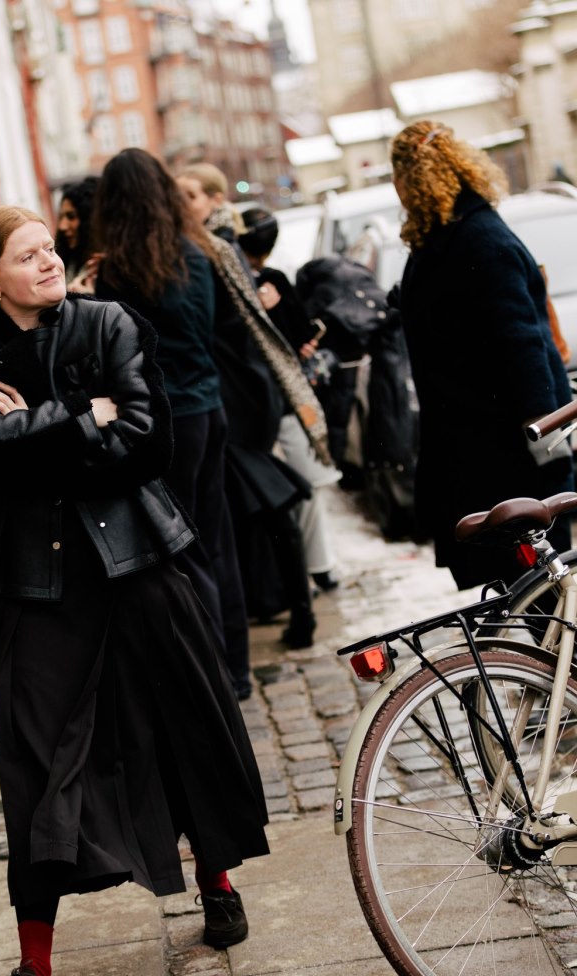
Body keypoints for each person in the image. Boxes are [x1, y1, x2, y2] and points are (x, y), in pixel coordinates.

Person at [0, 205, 269, 976]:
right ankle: (32, 971)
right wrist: (84, 420)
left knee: (182, 722)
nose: (50, 262)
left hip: (137, 560)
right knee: (34, 765)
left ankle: (216, 885)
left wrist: (29, 428)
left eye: (51, 248)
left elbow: (148, 440)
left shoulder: (108, 321)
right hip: (36, 582)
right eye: (27, 255)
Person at [92, 147, 251, 697]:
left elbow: (116, 354)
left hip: (166, 419)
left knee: (186, 548)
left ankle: (215, 671)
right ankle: (238, 668)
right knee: (219, 541)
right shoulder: (196, 252)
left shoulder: (119, 270)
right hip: (209, 407)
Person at [391, 120, 574, 589]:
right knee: (533, 588)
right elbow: (513, 340)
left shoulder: (453, 243)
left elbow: (513, 340)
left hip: (485, 448)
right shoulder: (467, 238)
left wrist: (542, 436)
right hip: (495, 446)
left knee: (526, 588)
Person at [176, 164, 332, 648]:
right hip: (235, 390)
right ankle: (285, 603)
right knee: (260, 499)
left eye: (189, 195)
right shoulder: (213, 243)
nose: (181, 203)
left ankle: (298, 607)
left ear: (215, 199)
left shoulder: (218, 245)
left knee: (269, 498)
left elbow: (244, 324)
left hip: (238, 394)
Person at [238, 206, 342, 591]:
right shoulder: (254, 282)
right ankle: (311, 570)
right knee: (298, 490)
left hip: (273, 404)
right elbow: (300, 340)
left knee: (302, 488)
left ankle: (314, 568)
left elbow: (299, 339)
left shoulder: (272, 282)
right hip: (265, 406)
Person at [54, 176, 99, 291]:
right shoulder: (64, 264)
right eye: (61, 217)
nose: (62, 226)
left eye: (71, 216)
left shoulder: (109, 269)